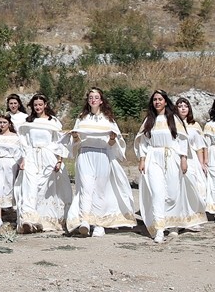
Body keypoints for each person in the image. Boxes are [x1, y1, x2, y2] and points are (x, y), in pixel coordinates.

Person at [64, 87, 137, 237]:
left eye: (96, 97)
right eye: (91, 97)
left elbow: (114, 144)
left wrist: (111, 139)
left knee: (100, 190)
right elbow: (76, 142)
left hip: (102, 155)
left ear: (101, 100)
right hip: (85, 154)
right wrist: (76, 136)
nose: (93, 100)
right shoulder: (81, 118)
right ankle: (84, 220)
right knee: (86, 187)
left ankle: (98, 223)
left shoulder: (108, 120)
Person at [135, 90, 202, 243]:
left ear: (166, 101)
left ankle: (173, 224)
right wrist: (142, 159)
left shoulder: (174, 119)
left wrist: (183, 159)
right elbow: (143, 142)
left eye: (160, 99)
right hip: (153, 157)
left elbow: (182, 140)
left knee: (172, 193)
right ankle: (159, 228)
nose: (157, 102)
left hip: (172, 157)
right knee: (157, 193)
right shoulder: (149, 120)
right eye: (154, 100)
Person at [15, 93, 71, 234]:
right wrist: (23, 159)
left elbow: (59, 142)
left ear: (45, 105)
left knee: (47, 188)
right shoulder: (28, 122)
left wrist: (59, 160)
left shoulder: (53, 122)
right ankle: (29, 219)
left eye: (40, 104)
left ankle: (47, 220)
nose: (38, 107)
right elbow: (24, 143)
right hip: (32, 156)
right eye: (35, 105)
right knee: (29, 186)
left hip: (48, 156)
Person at [174, 97, 210, 232]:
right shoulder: (173, 123)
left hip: (192, 159)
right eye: (180, 106)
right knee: (179, 189)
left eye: (186, 106)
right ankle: (179, 219)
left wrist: (202, 163)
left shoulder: (194, 125)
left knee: (195, 188)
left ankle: (194, 218)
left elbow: (200, 146)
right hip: (177, 158)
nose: (183, 108)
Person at [0, 114, 25, 230]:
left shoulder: (16, 138)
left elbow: (19, 153)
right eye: (0, 122)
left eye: (4, 122)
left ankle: (15, 213)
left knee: (11, 188)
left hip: (11, 164)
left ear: (9, 123)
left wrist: (21, 164)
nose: (2, 125)